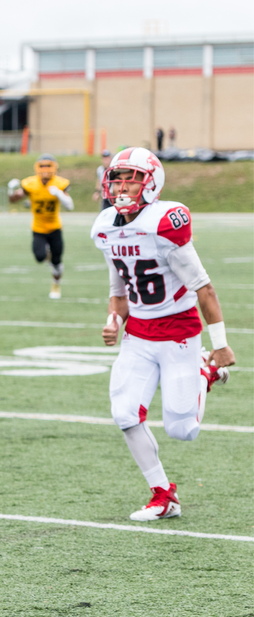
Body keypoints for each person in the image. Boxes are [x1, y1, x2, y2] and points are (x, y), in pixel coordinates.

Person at [93, 147, 234, 521]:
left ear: (151, 183)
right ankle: (163, 495)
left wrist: (219, 346)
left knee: (183, 430)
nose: (123, 186)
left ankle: (206, 372)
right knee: (124, 413)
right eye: (118, 178)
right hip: (138, 333)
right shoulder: (105, 226)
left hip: (179, 332)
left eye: (133, 178)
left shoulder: (165, 222)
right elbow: (119, 290)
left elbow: (204, 288)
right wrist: (114, 321)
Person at [8, 154, 73, 299]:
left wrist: (58, 194)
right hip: (38, 228)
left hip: (55, 227)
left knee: (57, 262)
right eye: (42, 166)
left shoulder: (59, 183)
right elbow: (13, 200)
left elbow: (70, 205)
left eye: (48, 166)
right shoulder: (30, 183)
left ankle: (56, 284)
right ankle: (48, 256)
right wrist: (10, 190)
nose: (45, 170)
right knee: (39, 257)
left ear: (55, 167)